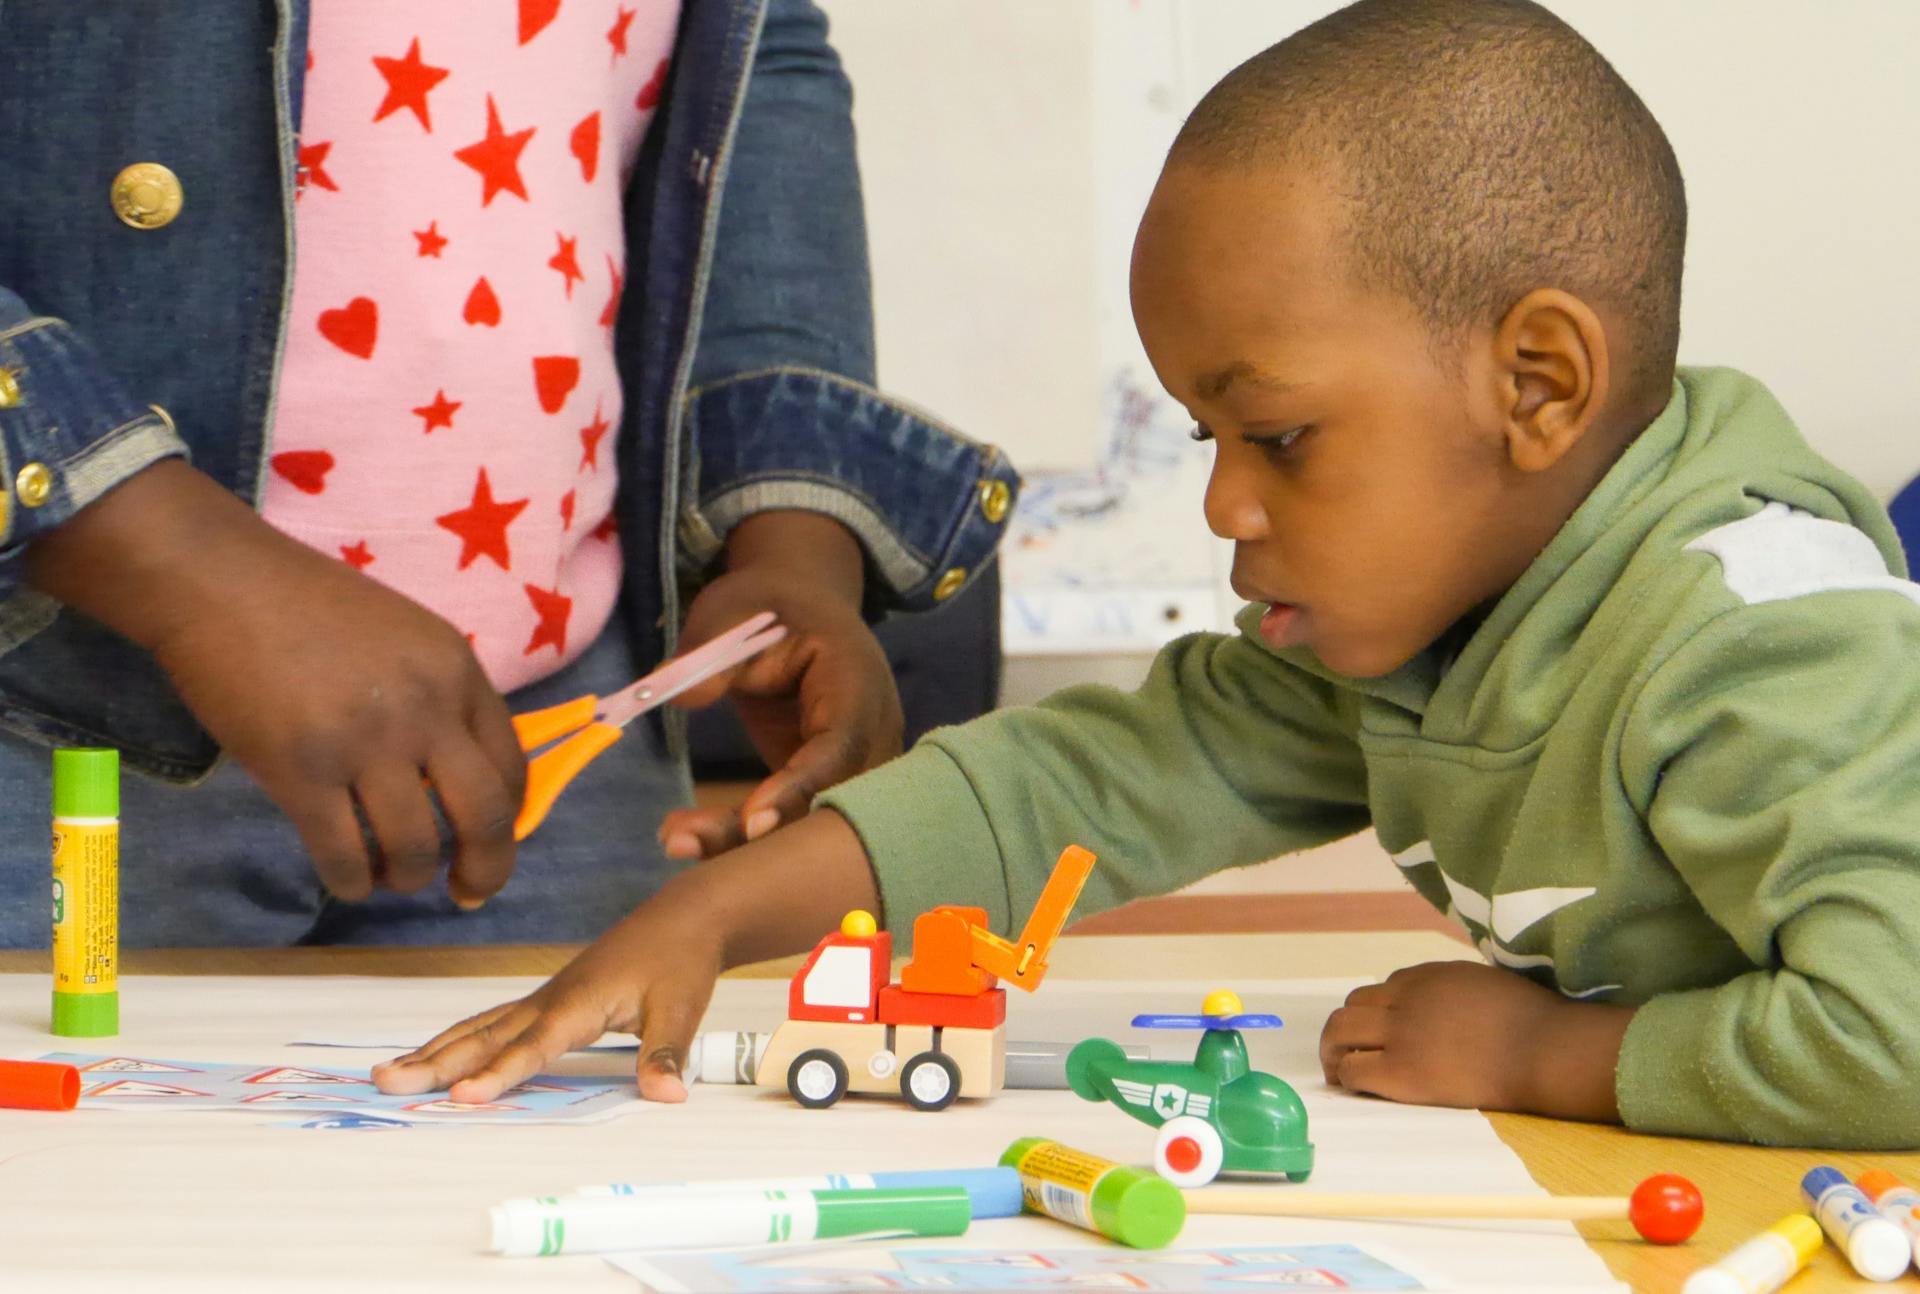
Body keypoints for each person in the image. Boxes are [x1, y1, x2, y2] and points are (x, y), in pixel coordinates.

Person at [374, 0, 1920, 1148]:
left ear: (1538, 383)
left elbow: (1901, 1038)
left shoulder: (1763, 637)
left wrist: (1545, 1057)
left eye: (1281, 436)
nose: (1227, 505)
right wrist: (707, 915)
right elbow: (1084, 783)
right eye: (1203, 437)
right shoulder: (1427, 612)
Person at [0, 0, 1017, 949]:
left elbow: (756, 65)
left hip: (564, 735)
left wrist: (792, 533)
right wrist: (186, 569)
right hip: (47, 726)